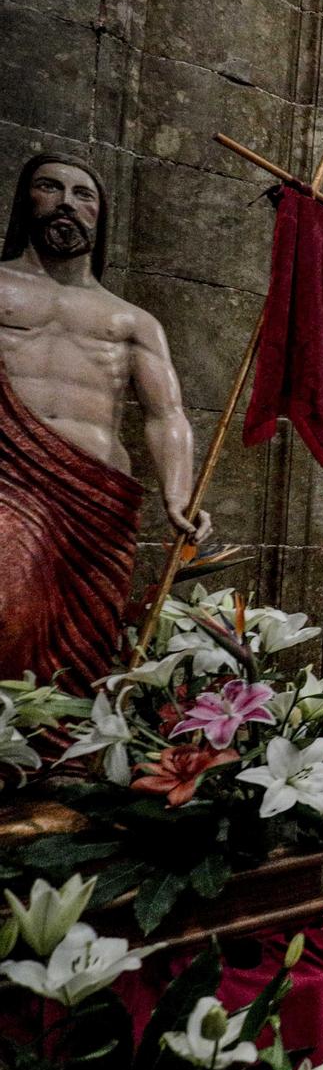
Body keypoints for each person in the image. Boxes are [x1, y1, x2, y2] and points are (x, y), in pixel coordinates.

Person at [0, 153, 210, 690]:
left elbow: (167, 415)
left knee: (85, 644)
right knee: (9, 608)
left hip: (96, 500)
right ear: (28, 200)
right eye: (51, 187)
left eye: (83, 193)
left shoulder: (131, 319)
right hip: (9, 481)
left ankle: (68, 755)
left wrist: (178, 497)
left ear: (100, 216)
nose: (67, 202)